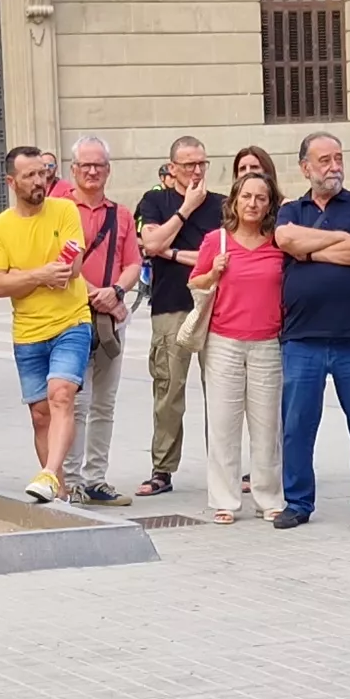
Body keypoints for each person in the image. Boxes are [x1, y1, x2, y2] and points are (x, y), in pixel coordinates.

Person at [274, 131, 350, 530]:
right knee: (297, 427)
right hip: (302, 338)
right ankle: (298, 501)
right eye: (323, 160)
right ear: (305, 167)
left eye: (338, 157)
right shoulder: (291, 210)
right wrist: (342, 239)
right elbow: (285, 239)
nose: (333, 166)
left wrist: (312, 251)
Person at [0, 145, 97, 504]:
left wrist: (23, 276)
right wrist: (40, 274)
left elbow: (70, 270)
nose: (39, 181)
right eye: (30, 175)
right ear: (11, 181)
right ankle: (59, 493)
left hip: (71, 321)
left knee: (61, 395)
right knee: (40, 415)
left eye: (44, 173)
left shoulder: (65, 210)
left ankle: (48, 473)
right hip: (28, 332)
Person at [190, 166, 289, 522]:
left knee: (267, 427)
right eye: (246, 196)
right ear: (234, 201)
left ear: (269, 204)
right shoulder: (215, 241)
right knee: (223, 425)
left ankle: (269, 498)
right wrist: (213, 272)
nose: (253, 203)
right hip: (223, 342)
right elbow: (196, 284)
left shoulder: (279, 241)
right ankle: (225, 501)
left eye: (261, 198)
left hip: (267, 343)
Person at [51, 135, 141, 504]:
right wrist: (95, 294)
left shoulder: (119, 214)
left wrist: (116, 292)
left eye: (99, 165)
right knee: (76, 402)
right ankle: (69, 481)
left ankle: (95, 479)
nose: (92, 171)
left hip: (109, 320)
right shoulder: (56, 210)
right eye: (85, 165)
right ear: (73, 170)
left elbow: (134, 261)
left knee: (105, 403)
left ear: (108, 170)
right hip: (71, 317)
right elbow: (56, 260)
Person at [132, 136, 218, 497]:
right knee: (169, 390)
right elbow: (150, 244)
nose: (196, 171)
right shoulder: (155, 202)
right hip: (171, 306)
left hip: (215, 305)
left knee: (220, 391)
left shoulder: (222, 204)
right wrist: (186, 209)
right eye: (188, 165)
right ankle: (162, 469)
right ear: (172, 168)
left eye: (201, 163)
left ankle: (224, 467)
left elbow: (219, 258)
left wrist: (174, 253)